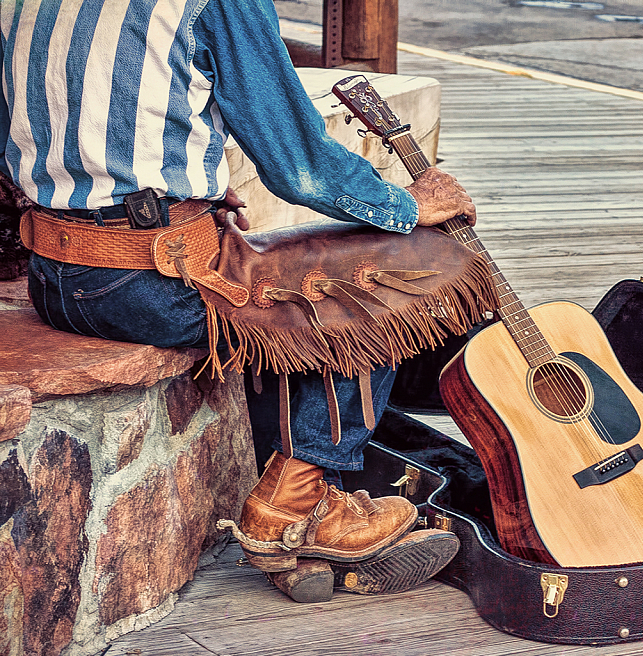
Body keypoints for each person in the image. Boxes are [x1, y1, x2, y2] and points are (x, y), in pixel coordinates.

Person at [1, 0, 477, 603]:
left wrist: (176, 181)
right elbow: (298, 165)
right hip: (146, 284)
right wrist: (407, 204)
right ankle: (296, 503)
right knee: (391, 282)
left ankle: (303, 517)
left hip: (55, 277)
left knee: (297, 281)